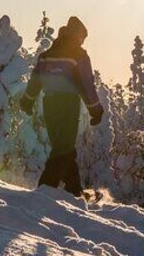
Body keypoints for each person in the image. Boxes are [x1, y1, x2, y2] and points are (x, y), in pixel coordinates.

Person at [21, 16, 103, 196]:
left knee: (63, 147)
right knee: (62, 148)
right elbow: (87, 85)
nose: (82, 42)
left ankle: (75, 190)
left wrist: (27, 100)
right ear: (77, 36)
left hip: (49, 105)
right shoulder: (79, 56)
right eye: (82, 38)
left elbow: (36, 81)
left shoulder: (47, 56)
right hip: (68, 105)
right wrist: (96, 110)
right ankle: (44, 189)